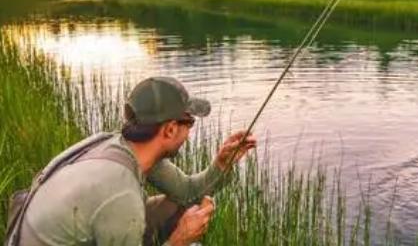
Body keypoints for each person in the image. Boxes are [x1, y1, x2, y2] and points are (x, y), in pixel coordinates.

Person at [16, 76, 256, 246]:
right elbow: (120, 202)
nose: (190, 132)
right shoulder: (120, 194)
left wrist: (223, 164)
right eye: (189, 123)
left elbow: (187, 193)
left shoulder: (122, 146)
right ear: (170, 129)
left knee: (175, 206)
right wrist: (179, 240)